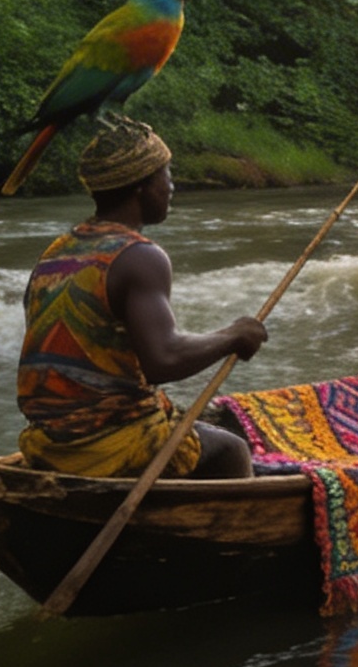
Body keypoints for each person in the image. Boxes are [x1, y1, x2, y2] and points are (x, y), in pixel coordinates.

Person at [16, 118, 267, 479]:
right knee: (232, 449)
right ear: (141, 187)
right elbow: (163, 360)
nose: (171, 186)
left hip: (49, 443)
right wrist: (235, 336)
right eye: (166, 175)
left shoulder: (58, 250)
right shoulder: (139, 256)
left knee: (203, 420)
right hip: (109, 442)